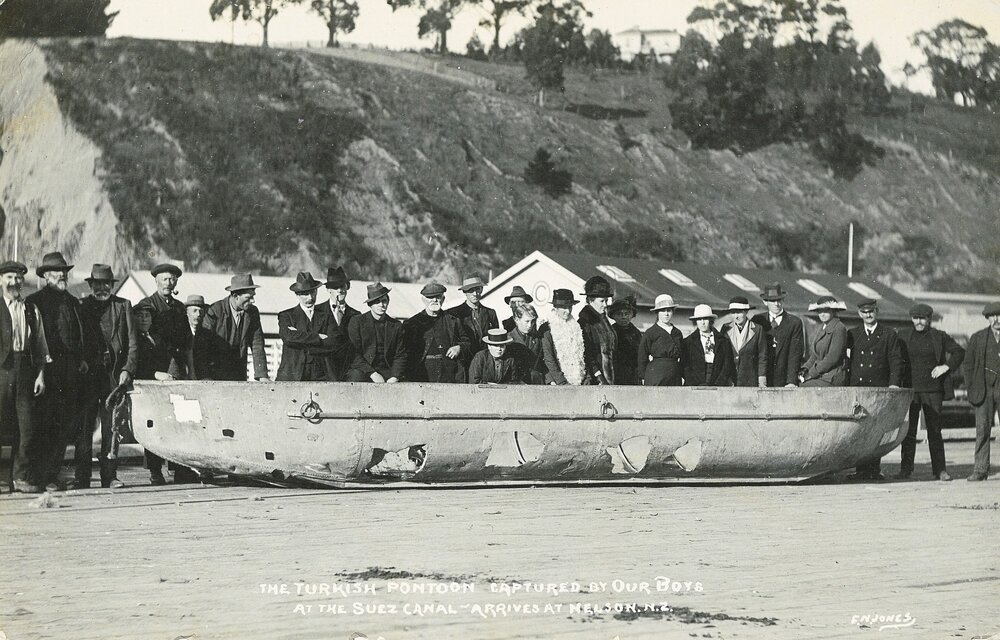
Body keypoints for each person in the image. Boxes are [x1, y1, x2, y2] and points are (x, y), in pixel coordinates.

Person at [26, 252, 90, 491]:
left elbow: (78, 334)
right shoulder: (34, 301)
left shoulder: (73, 302)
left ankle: (52, 474)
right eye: (57, 273)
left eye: (64, 272)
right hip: (47, 372)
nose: (62, 276)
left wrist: (81, 358)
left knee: (63, 426)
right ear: (45, 276)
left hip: (70, 372)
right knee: (45, 425)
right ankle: (40, 476)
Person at [79, 264, 137, 489]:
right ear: (91, 285)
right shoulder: (82, 306)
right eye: (97, 284)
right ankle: (82, 477)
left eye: (106, 284)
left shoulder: (123, 306)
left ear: (111, 286)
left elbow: (132, 343)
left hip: (113, 378)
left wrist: (127, 370)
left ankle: (109, 476)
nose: (101, 288)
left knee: (111, 429)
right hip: (88, 377)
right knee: (84, 429)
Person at [896, 303, 965, 481]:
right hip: (910, 390)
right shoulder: (903, 335)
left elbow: (959, 352)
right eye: (915, 318)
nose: (919, 322)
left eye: (922, 318)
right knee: (909, 432)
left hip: (933, 390)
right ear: (912, 319)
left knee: (934, 430)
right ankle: (906, 469)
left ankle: (940, 470)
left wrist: (946, 366)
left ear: (929, 319)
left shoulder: (939, 336)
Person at [0, 261, 48, 493]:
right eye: (9, 277)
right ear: (1, 280)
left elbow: (40, 345)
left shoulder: (31, 309)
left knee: (26, 427)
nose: (14, 282)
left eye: (18, 278)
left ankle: (20, 477)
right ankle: (1, 479)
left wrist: (40, 375)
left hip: (25, 372)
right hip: (1, 371)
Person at [846, 298, 903, 481]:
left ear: (876, 311)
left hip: (878, 388)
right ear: (859, 314)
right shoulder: (852, 334)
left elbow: (895, 361)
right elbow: (847, 361)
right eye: (864, 312)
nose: (868, 315)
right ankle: (860, 470)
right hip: (859, 388)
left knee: (876, 429)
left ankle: (873, 470)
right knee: (859, 429)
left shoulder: (888, 334)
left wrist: (893, 383)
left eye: (871, 311)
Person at [133, 300, 174, 485]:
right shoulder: (133, 338)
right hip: (143, 389)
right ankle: (154, 471)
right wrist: (154, 374)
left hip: (160, 390)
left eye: (147, 316)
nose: (144, 319)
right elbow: (135, 365)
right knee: (150, 429)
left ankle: (170, 468)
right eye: (140, 316)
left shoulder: (156, 338)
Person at [202, 274, 270, 381]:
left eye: (253, 296)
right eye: (248, 297)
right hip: (214, 374)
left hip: (238, 372)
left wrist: (262, 375)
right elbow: (203, 347)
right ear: (235, 296)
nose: (253, 301)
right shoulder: (215, 311)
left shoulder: (252, 312)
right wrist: (205, 376)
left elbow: (257, 344)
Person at [276, 272, 342, 382]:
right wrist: (318, 337)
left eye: (312, 292)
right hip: (293, 374)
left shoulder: (327, 315)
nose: (310, 298)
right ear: (297, 294)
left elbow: (334, 342)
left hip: (322, 373)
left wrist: (300, 338)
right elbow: (288, 337)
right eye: (305, 294)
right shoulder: (287, 315)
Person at [962, 301, 1000, 481]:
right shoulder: (978, 337)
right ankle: (980, 469)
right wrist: (971, 386)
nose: (997, 319)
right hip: (984, 390)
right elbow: (967, 364)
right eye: (993, 316)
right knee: (982, 429)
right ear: (988, 318)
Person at [403, 282, 469, 383]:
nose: (434, 300)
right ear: (423, 300)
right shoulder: (412, 323)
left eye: (438, 297)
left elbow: (467, 342)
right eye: (430, 297)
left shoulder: (453, 320)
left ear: (443, 299)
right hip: (421, 374)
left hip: (448, 374)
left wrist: (459, 347)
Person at [345, 283, 407, 383]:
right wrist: (372, 374)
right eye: (377, 302)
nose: (381, 305)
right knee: (356, 378)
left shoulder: (396, 325)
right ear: (370, 304)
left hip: (387, 370)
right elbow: (353, 353)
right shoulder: (357, 321)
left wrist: (395, 377)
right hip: (364, 369)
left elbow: (400, 355)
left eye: (384, 301)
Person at [139, 263, 189, 380]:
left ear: (176, 282)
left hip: (177, 364)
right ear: (156, 282)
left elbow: (187, 342)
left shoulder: (180, 307)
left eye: (171, 279)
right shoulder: (147, 305)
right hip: (154, 366)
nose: (168, 283)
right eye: (164, 279)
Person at [754, 282, 805, 387]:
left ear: (783, 300)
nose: (776, 304)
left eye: (779, 300)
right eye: (772, 301)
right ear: (765, 302)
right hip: (762, 379)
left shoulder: (794, 322)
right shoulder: (758, 320)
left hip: (784, 380)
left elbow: (795, 354)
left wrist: (791, 381)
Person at [448, 275, 498, 372]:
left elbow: (495, 340)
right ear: (465, 292)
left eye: (478, 289)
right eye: (471, 290)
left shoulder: (490, 313)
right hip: (463, 363)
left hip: (485, 362)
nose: (475, 293)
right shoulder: (455, 313)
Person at [540, 289, 588, 385]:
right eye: (564, 308)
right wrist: (562, 382)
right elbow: (549, 358)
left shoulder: (576, 326)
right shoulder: (547, 327)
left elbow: (582, 355)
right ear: (556, 308)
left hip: (579, 380)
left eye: (570, 307)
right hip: (558, 382)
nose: (568, 311)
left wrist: (586, 378)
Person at [800, 296, 848, 387]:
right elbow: (814, 355)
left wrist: (811, 373)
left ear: (833, 311)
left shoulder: (839, 328)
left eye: (826, 311)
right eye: (819, 311)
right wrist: (805, 368)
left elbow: (832, 358)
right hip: (821, 374)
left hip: (832, 376)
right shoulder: (821, 328)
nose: (822, 314)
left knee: (802, 387)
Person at [682, 304, 735, 386]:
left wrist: (718, 384)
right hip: (695, 386)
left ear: (711, 320)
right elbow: (685, 366)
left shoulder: (723, 341)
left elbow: (727, 365)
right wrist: (696, 384)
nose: (702, 322)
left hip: (718, 384)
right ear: (695, 321)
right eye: (699, 319)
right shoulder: (688, 342)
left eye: (705, 319)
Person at [720, 296, 767, 388]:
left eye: (739, 312)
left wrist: (761, 377)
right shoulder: (725, 328)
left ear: (746, 312)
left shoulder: (757, 329)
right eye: (733, 313)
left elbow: (762, 355)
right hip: (731, 379)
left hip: (750, 378)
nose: (736, 316)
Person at [637, 294, 683, 386]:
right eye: (663, 311)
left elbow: (683, 356)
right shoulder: (651, 332)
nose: (666, 314)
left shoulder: (677, 333)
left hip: (674, 374)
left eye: (669, 310)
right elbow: (642, 356)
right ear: (657, 313)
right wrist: (643, 376)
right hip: (656, 375)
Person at [578, 275, 616, 385]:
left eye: (606, 301)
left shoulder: (604, 321)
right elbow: (587, 353)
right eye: (602, 301)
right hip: (595, 378)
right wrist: (597, 374)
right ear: (590, 301)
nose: (605, 305)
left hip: (609, 376)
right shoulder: (584, 323)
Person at [324, 266, 360, 380]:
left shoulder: (356, 315)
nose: (339, 290)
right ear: (328, 289)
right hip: (325, 370)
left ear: (347, 287)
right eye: (335, 287)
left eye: (342, 286)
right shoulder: (318, 311)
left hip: (348, 369)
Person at [506, 302, 546, 384]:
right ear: (517, 320)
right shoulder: (508, 340)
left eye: (533, 321)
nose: (530, 325)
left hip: (536, 382)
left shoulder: (537, 339)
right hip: (516, 384)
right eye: (526, 321)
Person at [608, 296, 641, 385]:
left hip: (634, 375)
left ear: (631, 315)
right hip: (616, 374)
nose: (623, 317)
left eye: (627, 314)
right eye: (619, 314)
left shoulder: (636, 333)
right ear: (613, 316)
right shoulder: (610, 332)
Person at [183, 295, 212, 381]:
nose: (198, 314)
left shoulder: (207, 336)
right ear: (187, 312)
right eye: (194, 311)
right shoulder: (180, 334)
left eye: (201, 311)